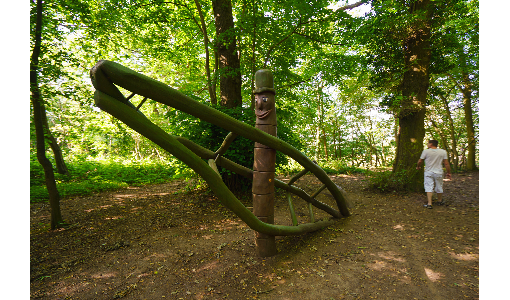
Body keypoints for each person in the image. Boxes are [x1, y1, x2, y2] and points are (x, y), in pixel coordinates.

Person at [416, 140, 452, 209]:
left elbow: (420, 160)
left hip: (428, 172)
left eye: (428, 143)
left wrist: (418, 166)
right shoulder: (443, 152)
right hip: (439, 172)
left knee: (428, 187)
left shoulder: (426, 151)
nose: (427, 144)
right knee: (439, 186)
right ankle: (439, 201)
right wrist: (448, 172)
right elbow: (446, 163)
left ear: (431, 144)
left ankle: (429, 204)